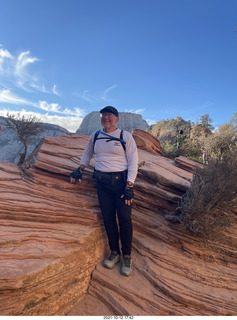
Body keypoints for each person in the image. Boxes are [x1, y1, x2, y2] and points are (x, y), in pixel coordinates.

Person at [70, 106, 138, 276]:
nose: (106, 118)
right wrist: (80, 169)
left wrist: (130, 185)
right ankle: (114, 252)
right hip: (102, 184)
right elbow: (87, 154)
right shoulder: (96, 136)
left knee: (124, 219)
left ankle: (127, 256)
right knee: (108, 219)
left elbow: (133, 162)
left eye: (110, 115)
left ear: (116, 119)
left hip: (121, 183)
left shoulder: (125, 136)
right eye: (104, 115)